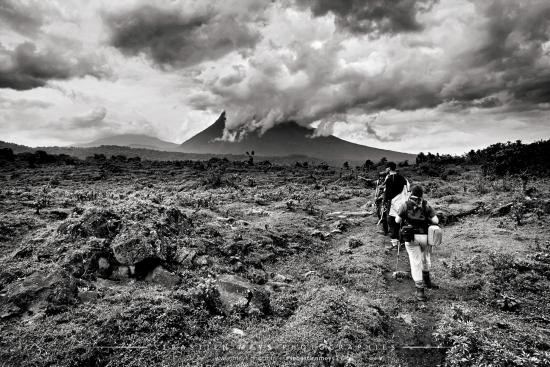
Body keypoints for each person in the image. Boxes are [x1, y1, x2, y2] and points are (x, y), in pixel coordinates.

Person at [395, 185, 440, 302]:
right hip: (425, 236)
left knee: (415, 262)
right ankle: (427, 281)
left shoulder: (405, 204)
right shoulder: (425, 204)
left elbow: (397, 220)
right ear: (421, 194)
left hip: (411, 237)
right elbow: (436, 221)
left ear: (411, 193)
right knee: (426, 257)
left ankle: (420, 292)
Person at [383, 162, 407, 251]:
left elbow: (387, 193)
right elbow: (407, 190)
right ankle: (403, 242)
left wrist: (384, 202)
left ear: (389, 169)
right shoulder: (402, 178)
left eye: (386, 168)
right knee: (402, 221)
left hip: (392, 203)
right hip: (403, 203)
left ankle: (395, 244)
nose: (385, 170)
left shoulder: (389, 178)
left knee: (392, 222)